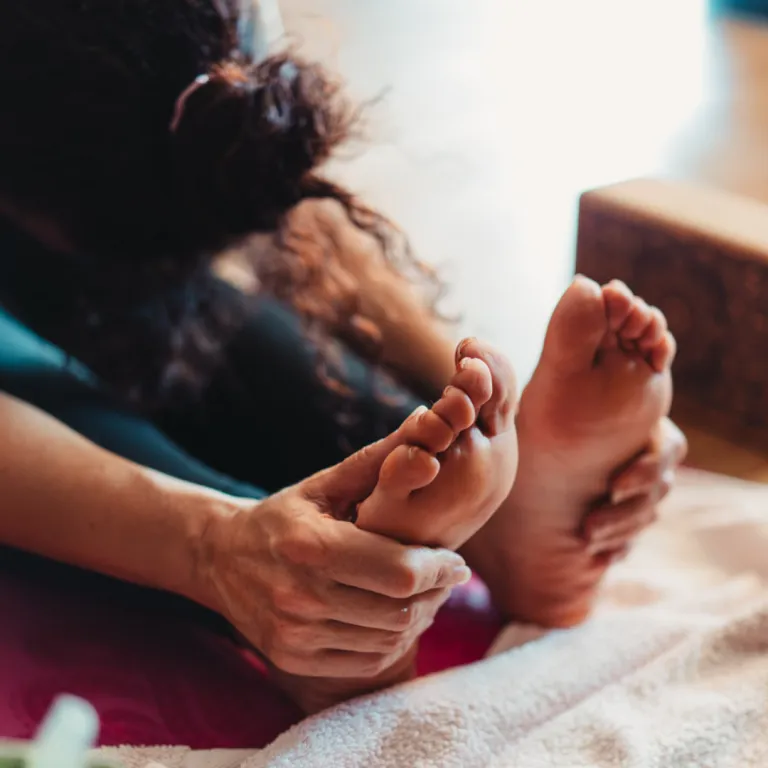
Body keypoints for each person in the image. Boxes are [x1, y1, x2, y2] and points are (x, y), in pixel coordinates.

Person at [0, 0, 686, 724]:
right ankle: (308, 588)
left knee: (185, 304)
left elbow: (274, 199)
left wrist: (471, 413)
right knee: (55, 361)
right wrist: (210, 543)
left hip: (110, 176)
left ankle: (459, 545)